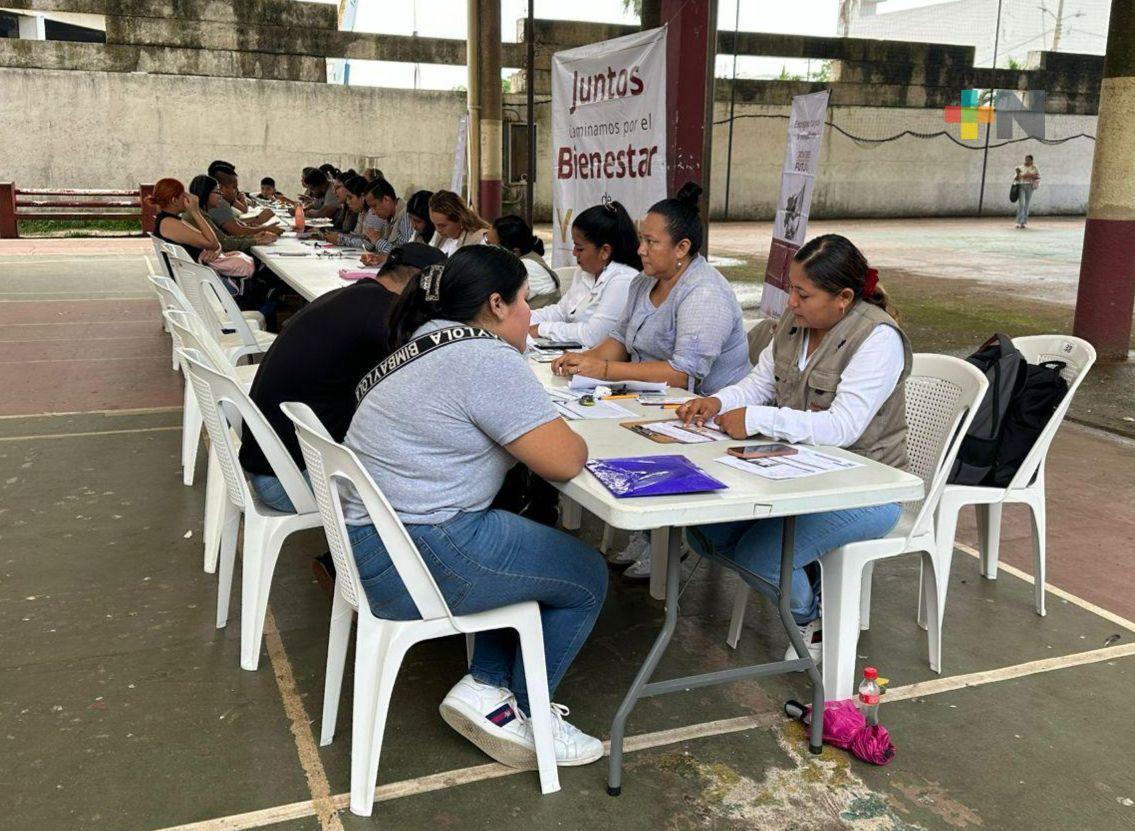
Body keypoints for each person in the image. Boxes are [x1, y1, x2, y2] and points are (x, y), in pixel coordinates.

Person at [341, 245, 608, 769]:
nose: (532, 314)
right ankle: (531, 716)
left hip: (372, 542)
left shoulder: (423, 341)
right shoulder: (484, 358)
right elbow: (564, 460)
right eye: (526, 301)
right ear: (496, 305)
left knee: (521, 536)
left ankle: (486, 686)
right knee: (585, 576)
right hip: (416, 554)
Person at [676, 234, 911, 663]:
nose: (791, 303)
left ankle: (812, 616)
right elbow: (759, 384)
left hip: (868, 487)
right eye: (791, 290)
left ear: (843, 298)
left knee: (761, 558)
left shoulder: (877, 339)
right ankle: (807, 577)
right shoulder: (795, 326)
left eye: (803, 294)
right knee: (704, 531)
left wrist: (758, 419)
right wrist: (719, 401)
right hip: (801, 476)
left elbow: (843, 426)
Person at [553, 182, 751, 581]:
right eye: (641, 239)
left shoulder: (704, 292)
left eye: (650, 241)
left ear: (682, 248)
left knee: (621, 440)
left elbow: (682, 373)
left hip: (705, 413)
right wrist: (584, 361)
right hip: (651, 402)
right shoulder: (645, 282)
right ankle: (649, 532)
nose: (640, 249)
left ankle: (666, 537)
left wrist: (606, 371)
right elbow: (621, 340)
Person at [239, 242, 447, 514]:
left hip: (271, 466)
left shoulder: (354, 296)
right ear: (424, 284)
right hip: (289, 484)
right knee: (431, 481)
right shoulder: (382, 317)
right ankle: (350, 554)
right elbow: (432, 375)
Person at [528, 200, 641, 348]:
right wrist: (522, 319)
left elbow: (594, 335)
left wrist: (541, 329)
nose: (574, 253)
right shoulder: (586, 271)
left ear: (604, 251)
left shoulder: (623, 280)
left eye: (580, 248)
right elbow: (562, 311)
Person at [187, 175, 276, 254]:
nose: (221, 194)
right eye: (217, 191)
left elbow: (225, 239)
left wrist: (254, 236)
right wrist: (256, 240)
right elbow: (225, 243)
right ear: (206, 193)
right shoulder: (198, 215)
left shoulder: (202, 212)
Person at [488, 215, 560, 309]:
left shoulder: (525, 268)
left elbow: (502, 304)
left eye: (493, 247)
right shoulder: (526, 255)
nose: (488, 250)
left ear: (514, 251)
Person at [210, 170, 281, 237]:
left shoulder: (223, 202)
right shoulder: (219, 204)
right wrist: (265, 228)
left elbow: (239, 224)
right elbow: (238, 231)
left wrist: (257, 220)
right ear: (221, 187)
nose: (237, 191)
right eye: (234, 187)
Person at [428, 190, 489, 255]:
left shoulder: (480, 239)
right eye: (434, 224)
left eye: (442, 226)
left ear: (459, 219)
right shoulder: (440, 235)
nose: (438, 230)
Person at [324, 176, 377, 248]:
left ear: (362, 197)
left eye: (350, 198)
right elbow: (357, 235)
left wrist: (340, 239)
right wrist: (338, 235)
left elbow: (369, 244)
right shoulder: (362, 212)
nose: (347, 202)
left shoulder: (373, 213)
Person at [1014, 154, 1041, 229]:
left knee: (1026, 204)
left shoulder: (1035, 167)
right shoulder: (1020, 167)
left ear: (1032, 160)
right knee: (1021, 204)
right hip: (1021, 186)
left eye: (1029, 160)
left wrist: (1029, 175)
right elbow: (1016, 179)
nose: (1027, 161)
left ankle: (1023, 222)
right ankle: (1018, 222)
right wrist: (1018, 173)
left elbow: (1038, 176)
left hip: (1030, 187)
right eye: (1026, 159)